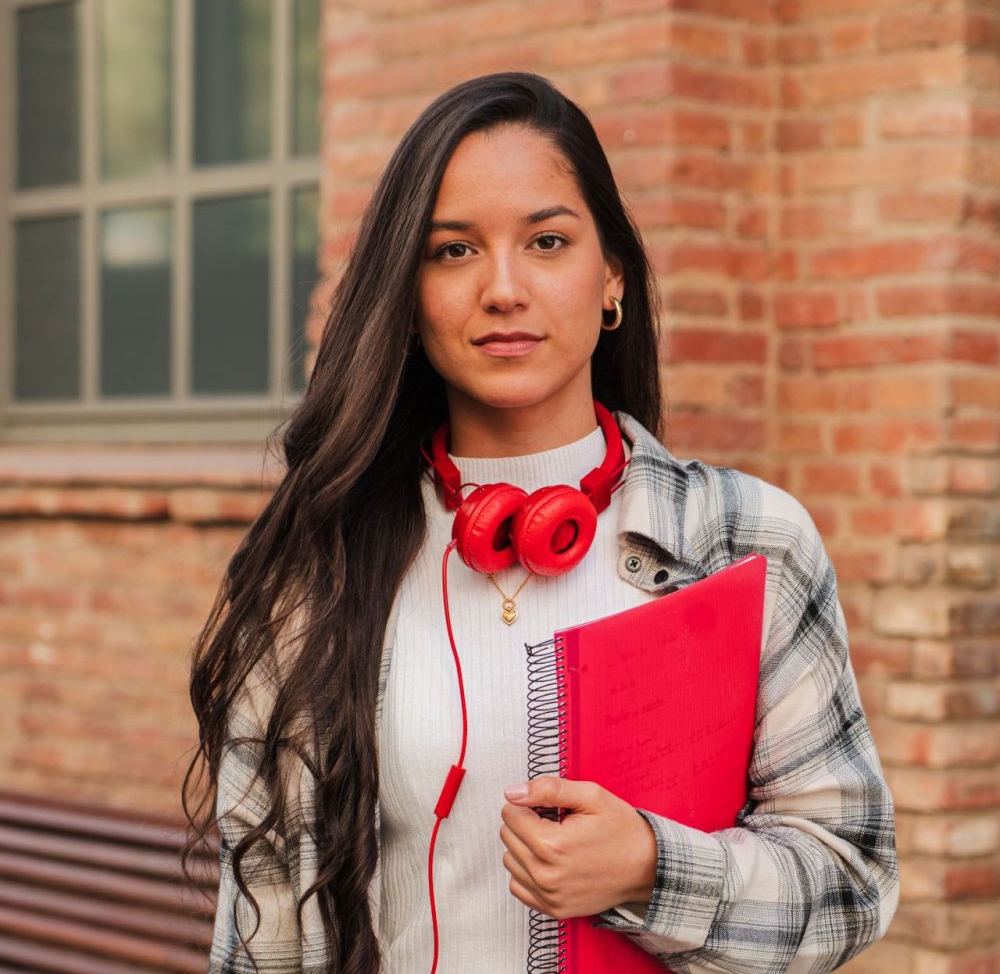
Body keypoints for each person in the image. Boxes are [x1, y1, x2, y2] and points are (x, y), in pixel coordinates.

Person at [184, 71, 899, 974]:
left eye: (548, 241)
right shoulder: (318, 563)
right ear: (407, 299)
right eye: (453, 252)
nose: (504, 289)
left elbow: (852, 877)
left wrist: (649, 867)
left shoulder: (746, 542)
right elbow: (264, 933)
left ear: (612, 281)